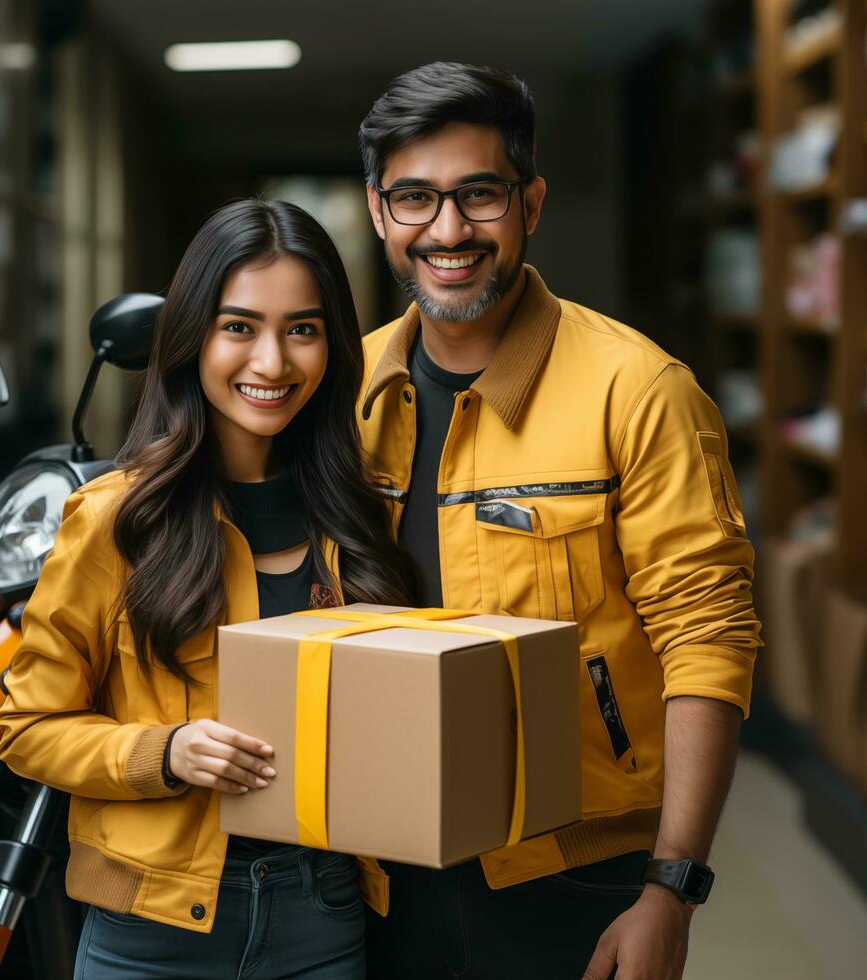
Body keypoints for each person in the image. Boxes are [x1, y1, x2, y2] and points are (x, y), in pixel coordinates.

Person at [355, 63, 762, 979]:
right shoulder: (344, 386)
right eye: (415, 198)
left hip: (575, 872)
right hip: (370, 866)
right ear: (379, 212)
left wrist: (671, 888)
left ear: (530, 203)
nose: (448, 230)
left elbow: (709, 639)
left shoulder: (640, 390)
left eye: (480, 195)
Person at [0, 198, 416, 980]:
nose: (272, 363)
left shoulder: (359, 515)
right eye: (239, 327)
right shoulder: (119, 517)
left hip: (323, 913)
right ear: (193, 337)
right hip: (149, 929)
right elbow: (27, 727)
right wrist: (166, 751)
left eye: (302, 329)